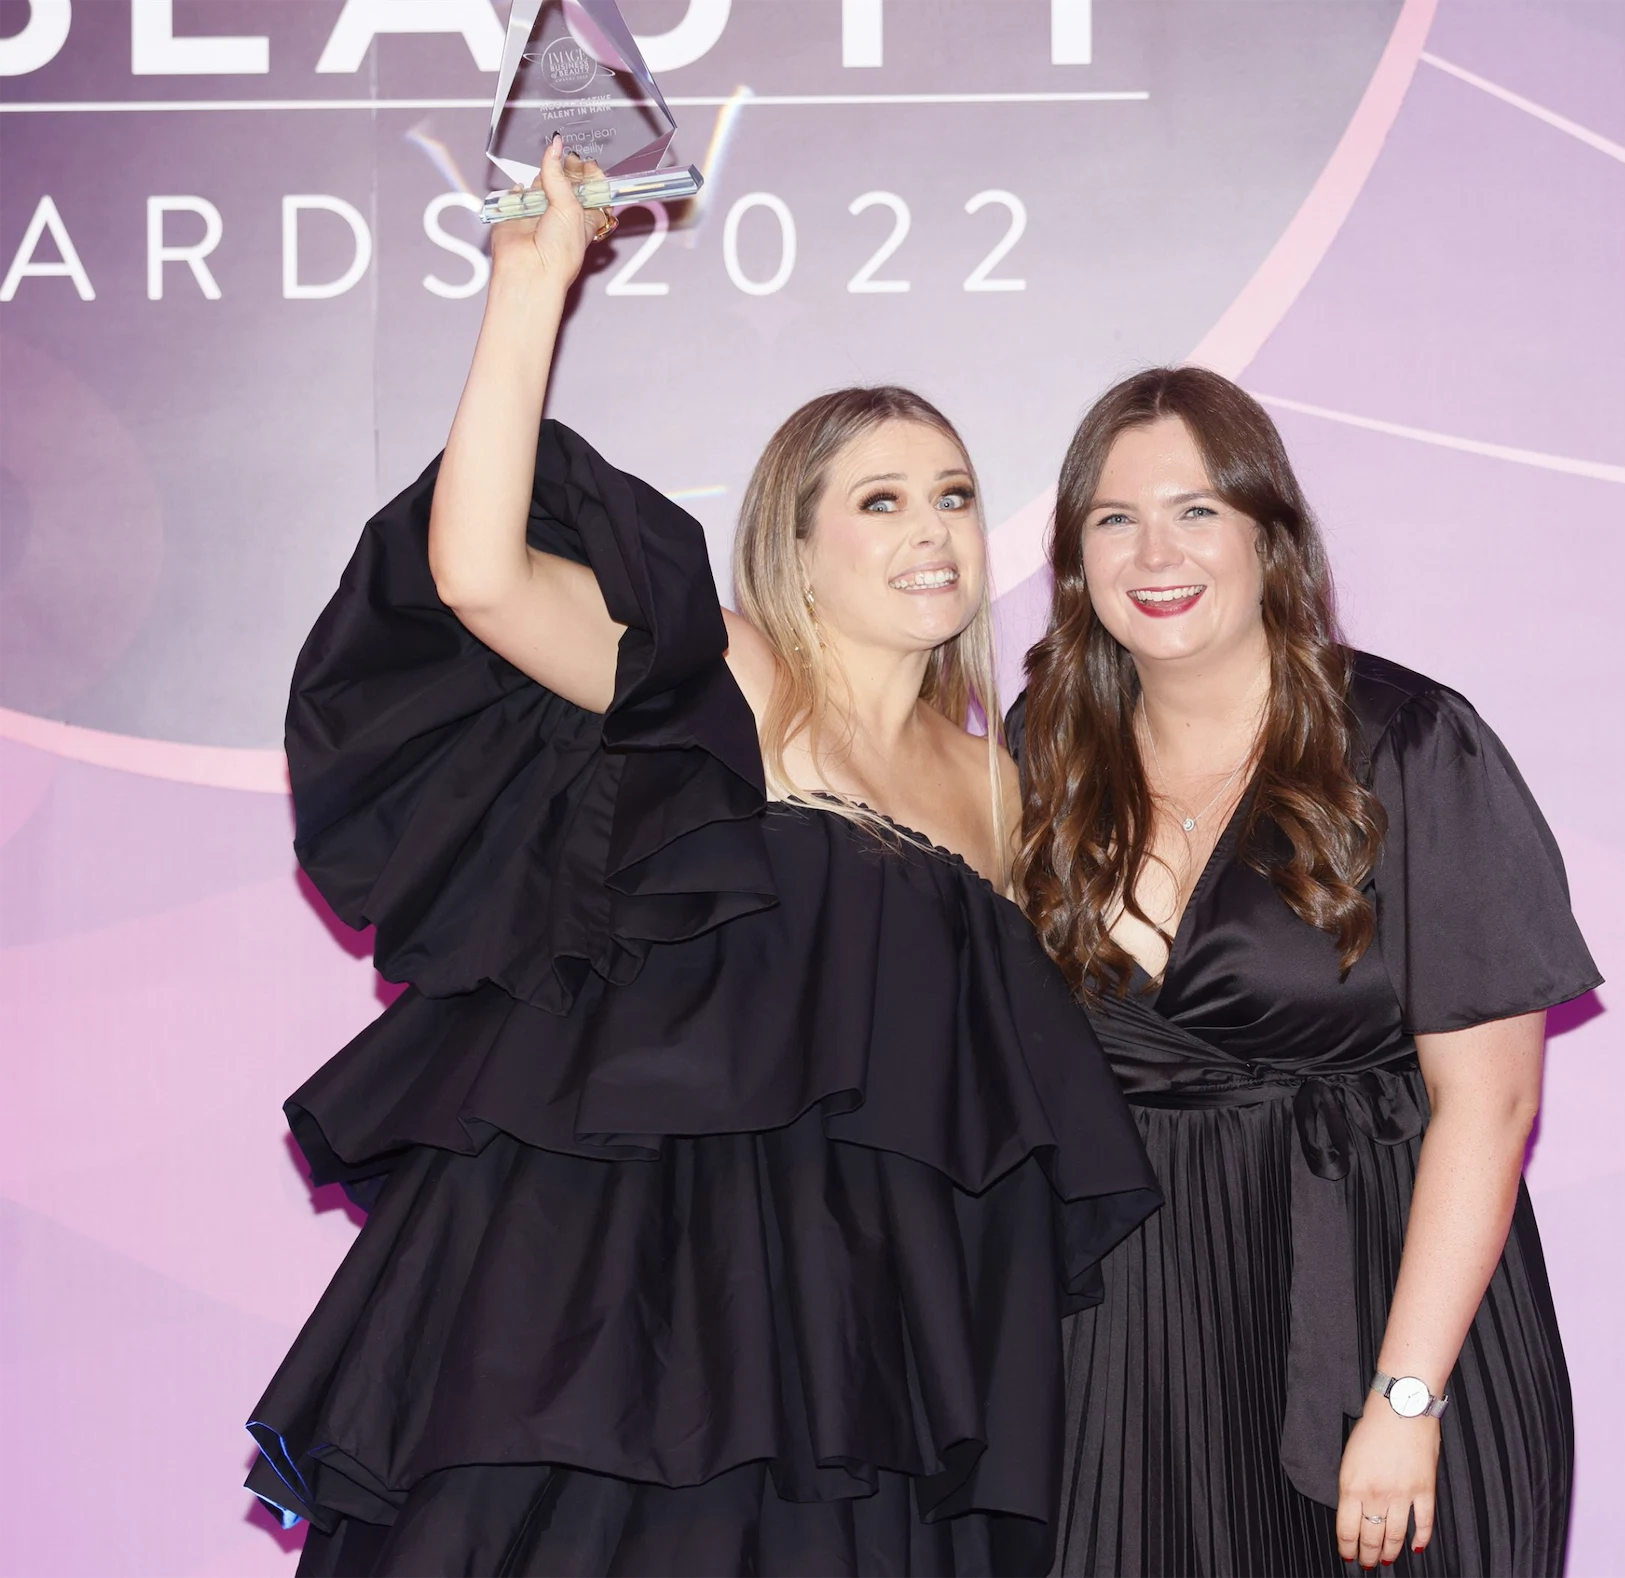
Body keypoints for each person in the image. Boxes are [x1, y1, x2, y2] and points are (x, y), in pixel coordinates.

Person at [246, 141, 1159, 1577]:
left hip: (856, 1334)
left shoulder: (1001, 788)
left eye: (953, 494)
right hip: (635, 1290)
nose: (931, 532)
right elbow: (477, 575)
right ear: (796, 543)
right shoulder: (728, 676)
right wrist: (532, 282)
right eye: (880, 501)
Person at [1009, 367, 1601, 1578]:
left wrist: (1405, 1397)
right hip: (1135, 1340)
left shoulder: (1409, 744)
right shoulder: (1039, 754)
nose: (1155, 554)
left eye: (1197, 510)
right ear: (1075, 558)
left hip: (1383, 1304)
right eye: (1116, 519)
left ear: (1268, 534)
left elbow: (1491, 1106)